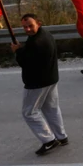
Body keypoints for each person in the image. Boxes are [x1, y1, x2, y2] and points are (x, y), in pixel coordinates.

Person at [12, 13, 69, 156]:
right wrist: (22, 49)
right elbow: (33, 54)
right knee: (51, 108)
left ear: (38, 23)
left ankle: (49, 140)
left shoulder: (37, 42)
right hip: (51, 78)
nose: (28, 29)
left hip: (38, 82)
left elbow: (26, 63)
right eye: (24, 27)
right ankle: (61, 136)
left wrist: (17, 51)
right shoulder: (45, 35)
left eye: (30, 26)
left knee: (29, 112)